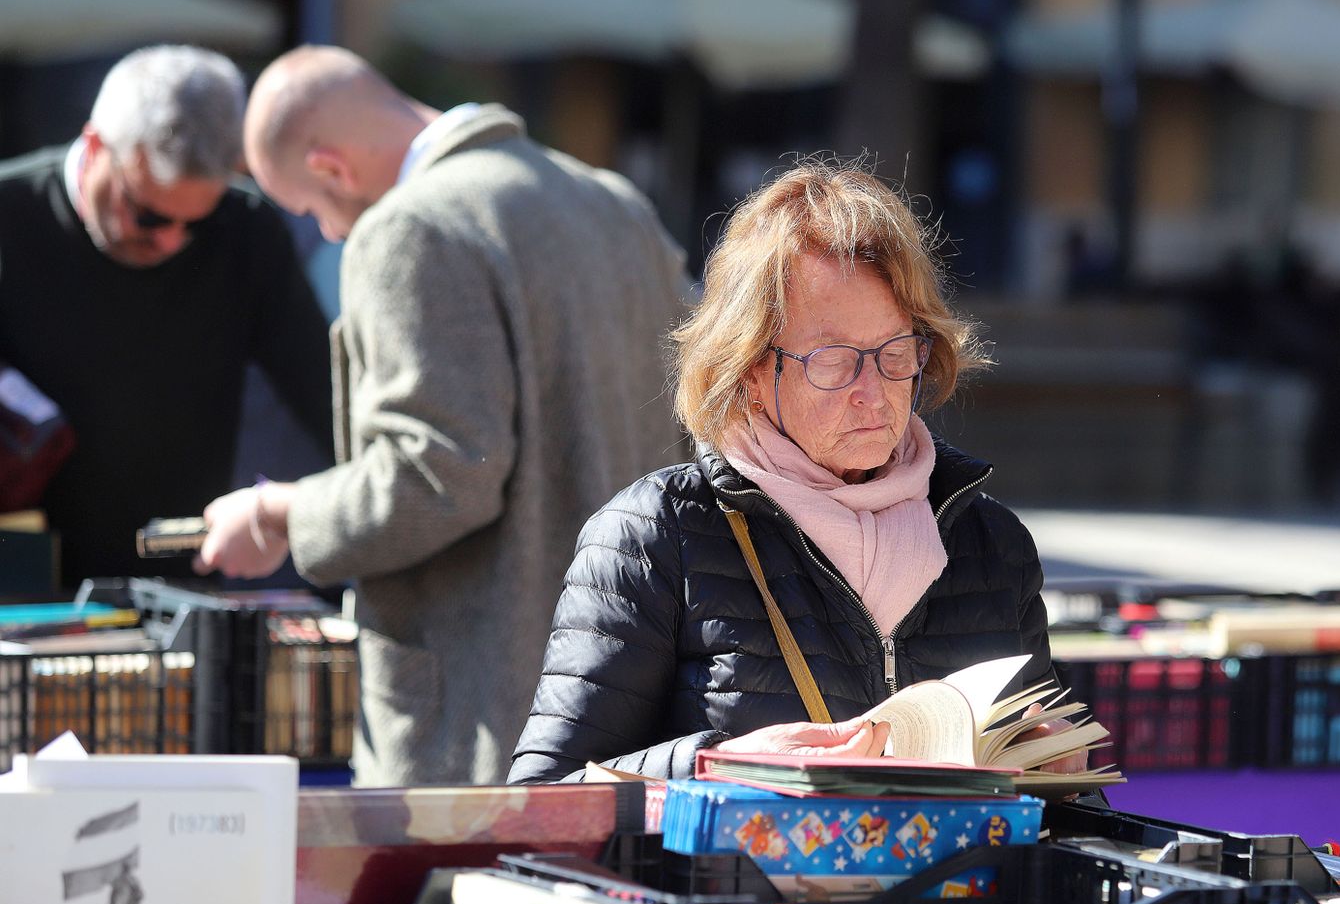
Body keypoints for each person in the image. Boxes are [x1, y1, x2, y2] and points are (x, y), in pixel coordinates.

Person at [194, 46, 690, 787]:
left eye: (311, 209)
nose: (328, 232)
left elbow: (437, 472)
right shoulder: (614, 202)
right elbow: (702, 417)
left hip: (483, 723)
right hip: (636, 706)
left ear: (330, 167)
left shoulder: (408, 228)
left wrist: (282, 513)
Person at [508, 161, 1086, 783]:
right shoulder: (652, 537)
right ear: (751, 369)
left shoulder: (991, 545)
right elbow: (544, 802)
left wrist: (1057, 777)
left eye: (895, 353)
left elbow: (1058, 818)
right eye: (835, 361)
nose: (874, 393)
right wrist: (716, 767)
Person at [0, 45, 333, 585]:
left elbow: (326, 393)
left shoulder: (246, 231)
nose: (171, 241)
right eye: (149, 214)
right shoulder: (10, 213)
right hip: (21, 585)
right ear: (95, 144)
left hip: (174, 581)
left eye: (196, 223)